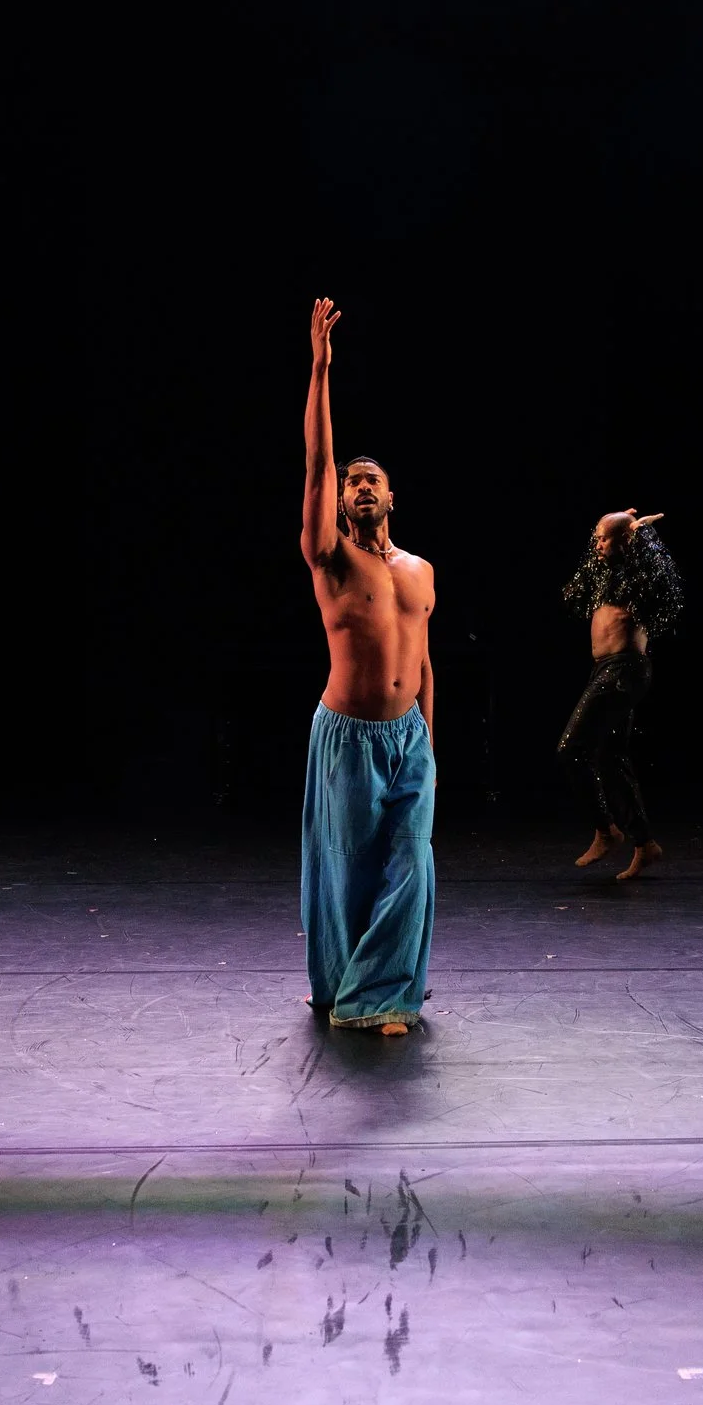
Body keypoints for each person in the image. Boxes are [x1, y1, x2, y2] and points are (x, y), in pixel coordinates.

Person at [299, 297, 437, 1034]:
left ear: (390, 496)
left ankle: (383, 992)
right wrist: (321, 370)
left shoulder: (420, 571)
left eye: (370, 479)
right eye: (351, 480)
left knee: (412, 862)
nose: (358, 485)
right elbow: (317, 461)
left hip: (409, 737)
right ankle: (342, 986)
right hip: (348, 737)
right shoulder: (331, 560)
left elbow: (425, 662)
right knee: (348, 866)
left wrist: (431, 741)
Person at [558, 508, 684, 880]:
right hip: (606, 670)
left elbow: (666, 583)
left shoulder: (642, 576)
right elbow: (575, 590)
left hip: (625, 670)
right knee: (612, 757)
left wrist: (640, 537)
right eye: (596, 537)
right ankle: (645, 844)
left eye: (603, 538)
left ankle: (606, 829)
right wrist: (611, 532)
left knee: (570, 750)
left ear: (626, 542)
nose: (596, 545)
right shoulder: (605, 574)